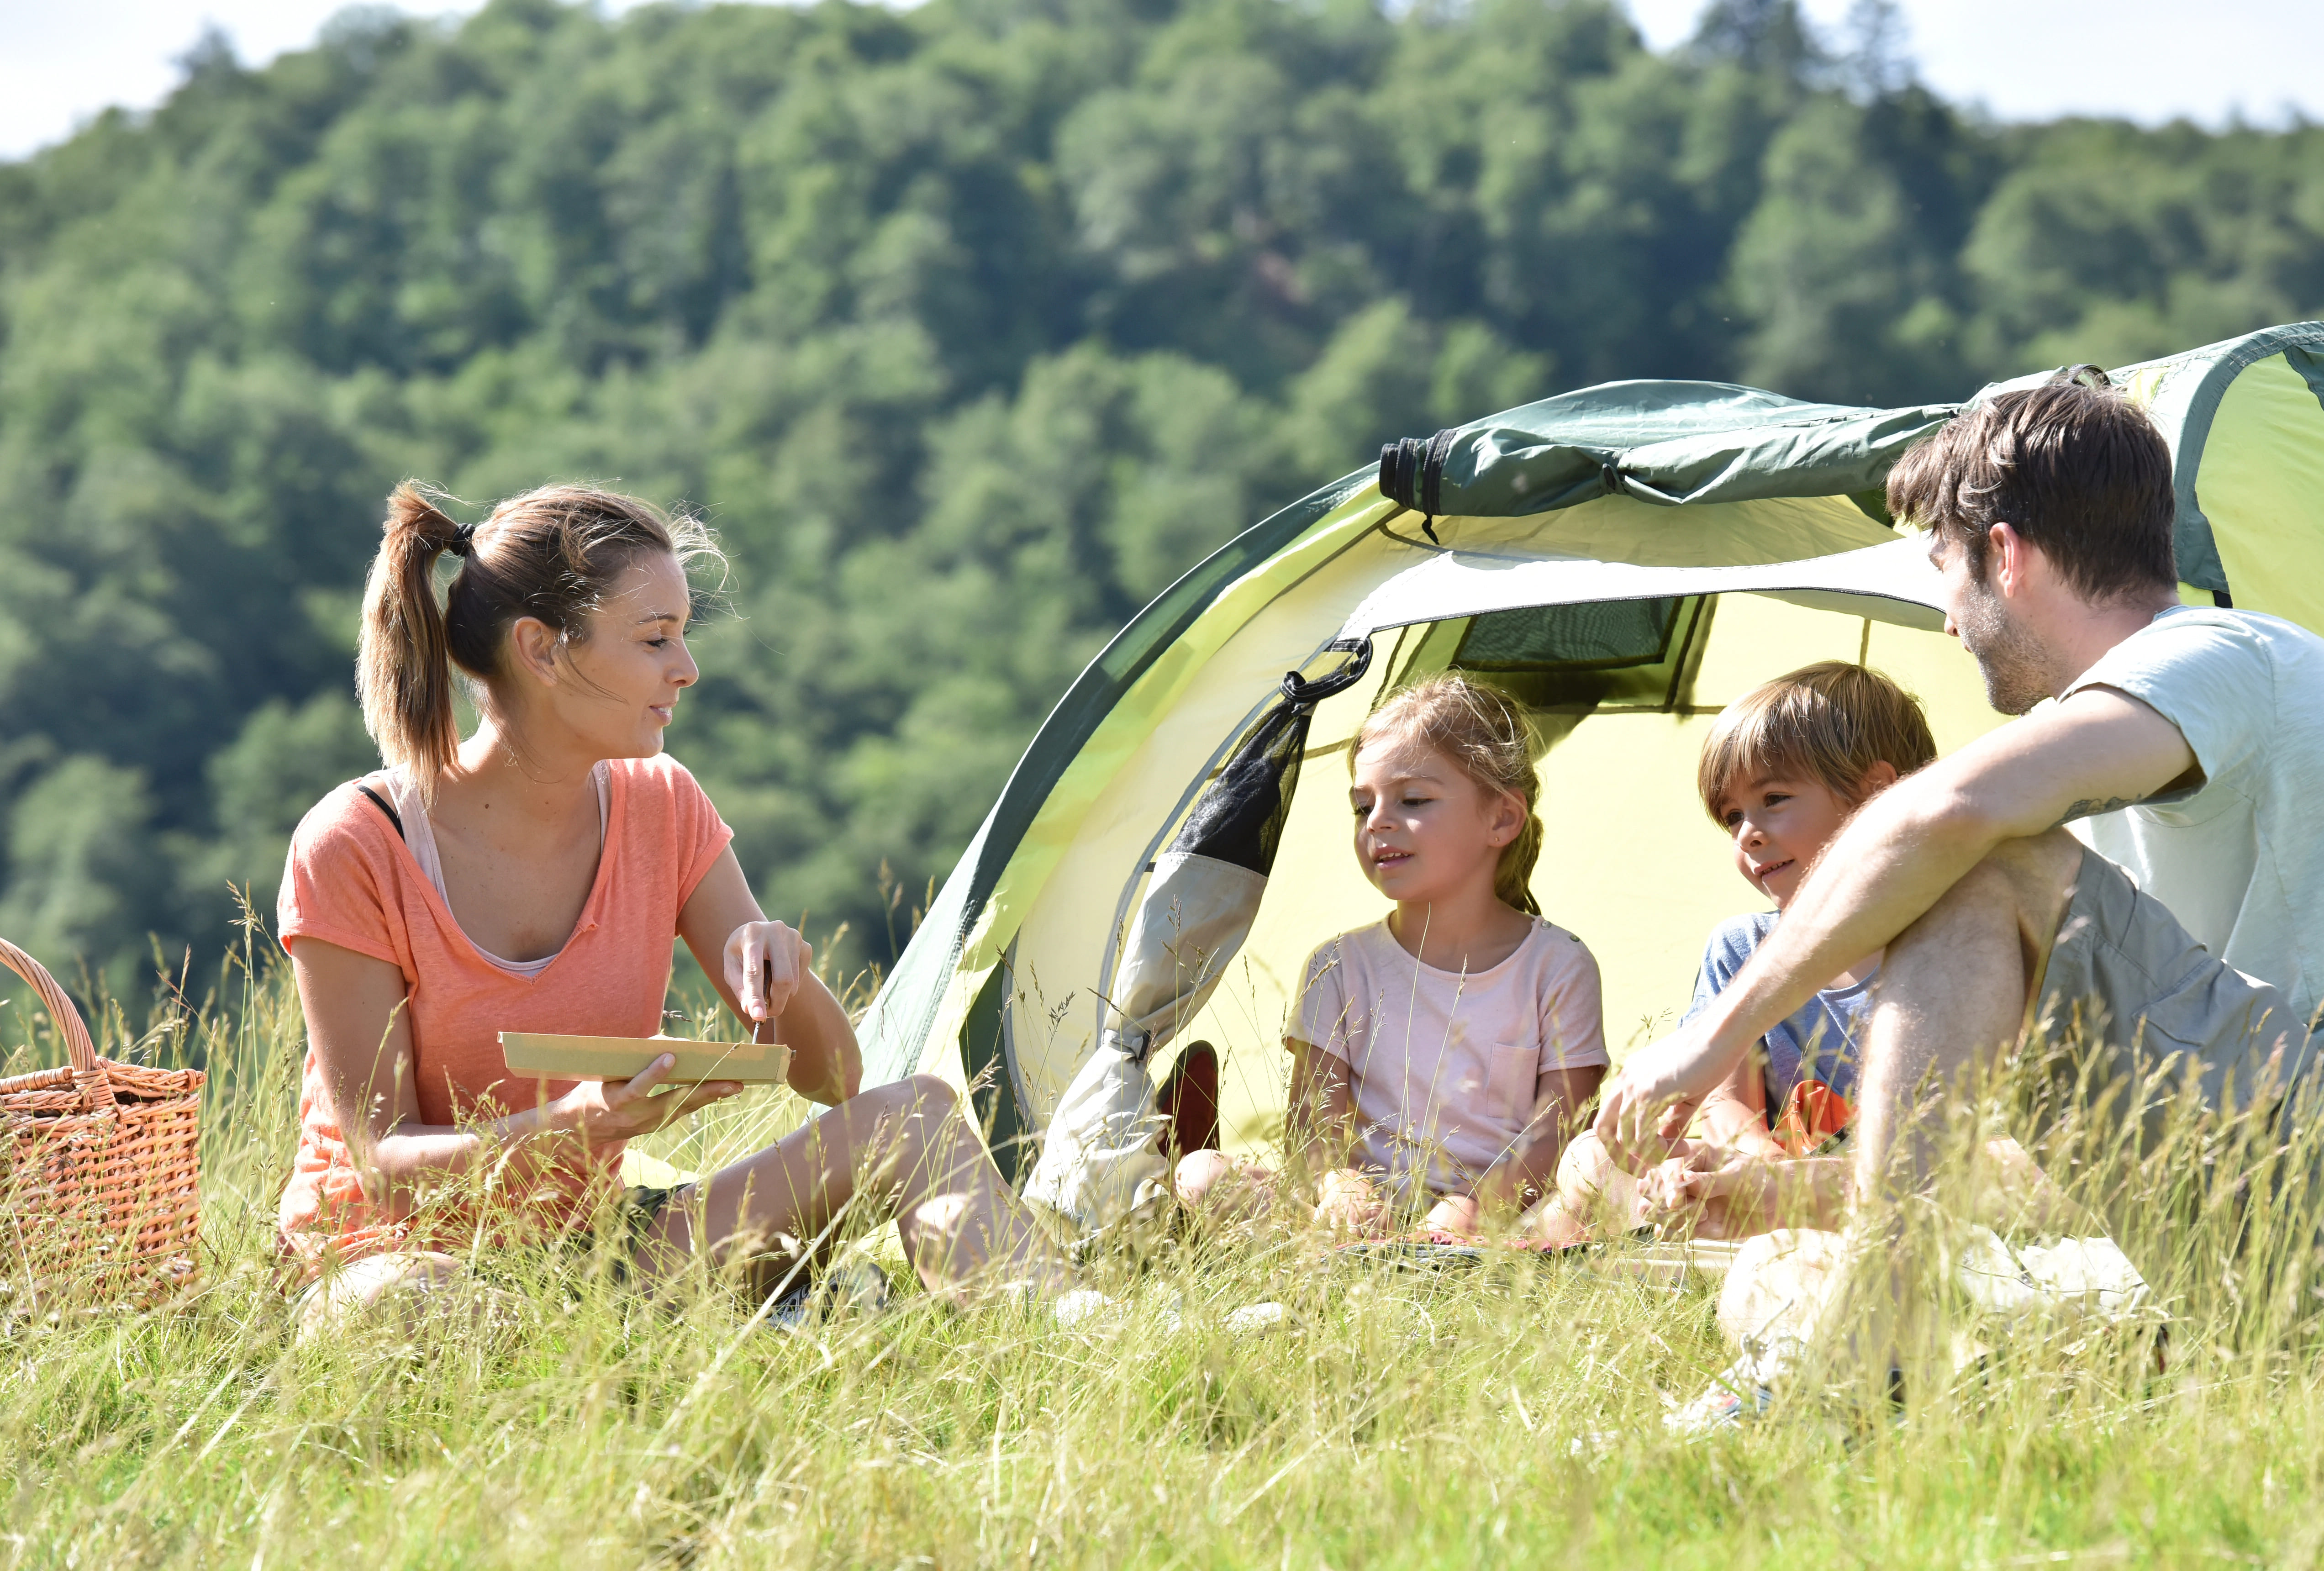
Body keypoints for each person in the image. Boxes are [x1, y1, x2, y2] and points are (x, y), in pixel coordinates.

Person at [1595, 378, 2324, 1318]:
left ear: (2006, 555)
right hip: (2316, 1214)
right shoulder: (2096, 805)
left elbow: (1943, 814)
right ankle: (1878, 1331)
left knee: (1974, 859)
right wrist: (1785, 1194)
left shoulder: (2225, 658)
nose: (1947, 621)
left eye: (1945, 576)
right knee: (1802, 1285)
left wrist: (1709, 1042)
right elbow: (2055, 1165)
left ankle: (1878, 1334)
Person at [278, 482, 1070, 1328]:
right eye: (656, 639)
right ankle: (757, 1324)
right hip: (396, 1261)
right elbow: (381, 1162)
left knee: (914, 1117)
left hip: (605, 1252)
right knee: (411, 1308)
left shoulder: (663, 804)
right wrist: (574, 1124)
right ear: (541, 651)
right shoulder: (357, 844)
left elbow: (837, 1080)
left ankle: (1064, 1336)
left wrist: (785, 975)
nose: (686, 668)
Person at [1175, 674, 1608, 1239]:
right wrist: (1343, 1186)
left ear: (1501, 818)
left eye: (1413, 799)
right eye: (1362, 806)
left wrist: (1471, 1209)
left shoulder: (1559, 964)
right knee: (1201, 1174)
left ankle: (1451, 1261)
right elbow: (1314, 1130)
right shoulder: (1339, 964)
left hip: (1501, 1224)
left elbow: (1555, 1134)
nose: (1377, 821)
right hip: (1360, 1223)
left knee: (1596, 1172)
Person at [1543, 661, 1935, 1241]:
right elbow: (1729, 1106)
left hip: (1887, 1191)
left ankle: (1710, 1237)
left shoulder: (1952, 942)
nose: (1747, 833)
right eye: (1731, 817)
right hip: (1767, 1179)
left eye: (1774, 798)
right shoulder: (1740, 947)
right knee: (1588, 1158)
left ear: (1876, 793)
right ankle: (1703, 1223)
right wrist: (1752, 1165)